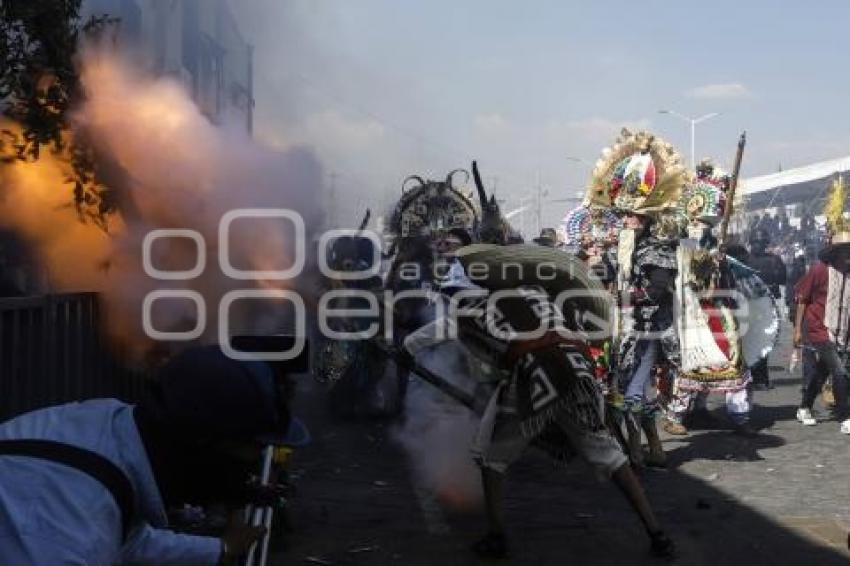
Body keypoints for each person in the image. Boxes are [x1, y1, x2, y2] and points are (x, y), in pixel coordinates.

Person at [401, 246, 675, 560]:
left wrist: (407, 347)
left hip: (535, 376)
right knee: (610, 456)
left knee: (492, 457)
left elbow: (444, 330)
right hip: (576, 371)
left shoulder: (479, 303)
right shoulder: (538, 291)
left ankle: (496, 536)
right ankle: (658, 533)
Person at [0, 345, 295, 564]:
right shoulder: (61, 538)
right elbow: (90, 536)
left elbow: (123, 537)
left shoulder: (108, 430)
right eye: (244, 455)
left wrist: (220, 550)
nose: (247, 472)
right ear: (198, 447)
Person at [793, 178, 850, 433]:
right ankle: (844, 416)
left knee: (821, 372)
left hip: (843, 329)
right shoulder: (819, 271)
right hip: (819, 328)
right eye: (843, 250)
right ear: (834, 252)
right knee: (839, 371)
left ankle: (804, 405)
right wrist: (796, 331)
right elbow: (802, 299)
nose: (847, 255)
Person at [748, 227, 787, 388]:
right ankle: (759, 378)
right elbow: (783, 279)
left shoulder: (747, 260)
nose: (758, 245)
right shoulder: (774, 260)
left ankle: (757, 378)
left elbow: (782, 279)